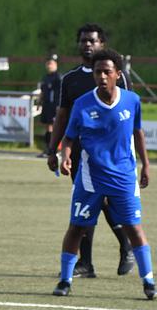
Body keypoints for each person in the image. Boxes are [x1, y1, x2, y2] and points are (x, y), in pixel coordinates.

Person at [52, 49, 157, 300]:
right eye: (98, 71)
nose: (101, 76)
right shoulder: (82, 104)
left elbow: (138, 133)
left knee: (133, 228)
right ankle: (65, 280)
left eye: (107, 72)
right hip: (90, 177)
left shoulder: (132, 100)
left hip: (123, 176)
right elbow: (69, 137)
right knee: (77, 227)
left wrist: (146, 164)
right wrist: (65, 155)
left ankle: (149, 282)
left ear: (117, 74)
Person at [46, 23, 135, 279]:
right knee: (85, 204)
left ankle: (127, 246)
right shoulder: (71, 79)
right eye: (83, 40)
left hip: (111, 154)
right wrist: (54, 149)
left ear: (102, 44)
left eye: (92, 40)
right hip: (80, 154)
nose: (87, 44)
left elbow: (127, 113)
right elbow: (62, 116)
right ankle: (86, 263)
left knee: (108, 202)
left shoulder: (117, 75)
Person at [37, 55, 61, 157]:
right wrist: (39, 102)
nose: (49, 66)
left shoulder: (58, 78)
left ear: (56, 64)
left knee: (53, 127)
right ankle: (48, 149)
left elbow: (61, 93)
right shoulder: (46, 77)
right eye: (48, 63)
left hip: (54, 106)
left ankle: (54, 150)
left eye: (51, 63)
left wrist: (59, 105)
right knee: (47, 127)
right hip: (46, 105)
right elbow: (43, 91)